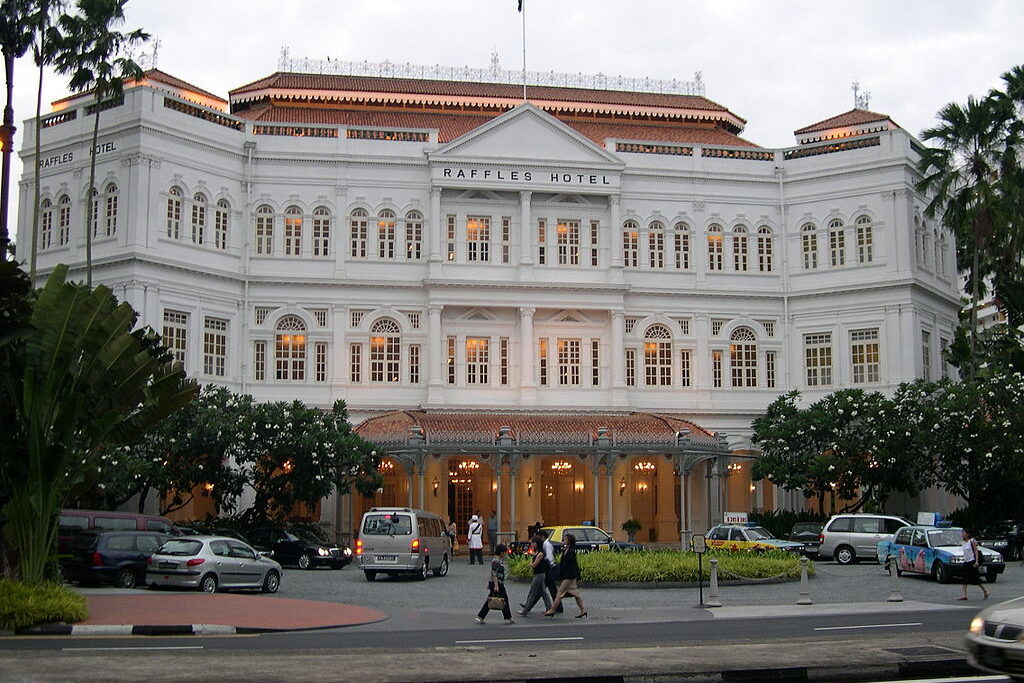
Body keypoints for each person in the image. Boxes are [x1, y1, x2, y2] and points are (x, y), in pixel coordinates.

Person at [544, 532, 587, 618]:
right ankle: (583, 610)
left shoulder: (571, 552)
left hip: (569, 576)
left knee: (559, 593)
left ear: (570, 541)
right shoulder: (566, 550)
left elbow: (575, 565)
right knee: (576, 594)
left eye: (566, 539)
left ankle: (552, 609)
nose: (564, 540)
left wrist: (578, 576)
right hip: (568, 576)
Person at [476, 543, 514, 624]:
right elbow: (494, 573)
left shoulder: (498, 560)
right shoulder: (496, 561)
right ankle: (507, 617)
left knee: (491, 600)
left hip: (496, 583)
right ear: (501, 552)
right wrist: (496, 585)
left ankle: (481, 616)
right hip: (497, 583)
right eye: (504, 552)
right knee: (503, 599)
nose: (505, 554)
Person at [517, 533, 552, 616]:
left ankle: (525, 610)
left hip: (539, 574)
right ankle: (549, 608)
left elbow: (535, 564)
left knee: (532, 592)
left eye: (532, 543)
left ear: (536, 543)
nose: (531, 545)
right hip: (539, 574)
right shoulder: (537, 553)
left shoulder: (540, 554)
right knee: (543, 592)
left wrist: (528, 565)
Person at [959, 529, 991, 601]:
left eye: (964, 533)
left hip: (972, 561)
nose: (962, 534)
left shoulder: (972, 541)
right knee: (964, 578)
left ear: (967, 534)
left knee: (975, 578)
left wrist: (976, 561)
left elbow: (976, 551)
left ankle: (985, 591)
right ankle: (964, 595)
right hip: (966, 562)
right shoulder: (963, 542)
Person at [542, 529, 562, 612]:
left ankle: (529, 605)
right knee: (551, 589)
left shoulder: (547, 544)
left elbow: (549, 557)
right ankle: (558, 607)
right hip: (549, 569)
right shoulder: (545, 544)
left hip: (549, 569)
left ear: (542, 537)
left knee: (542, 589)